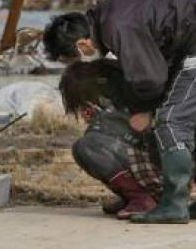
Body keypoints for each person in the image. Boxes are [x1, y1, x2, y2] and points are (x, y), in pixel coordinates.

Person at [43, 0, 196, 224]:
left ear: (83, 45)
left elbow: (150, 78)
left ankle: (173, 204)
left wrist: (147, 111)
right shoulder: (111, 14)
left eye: (72, 57)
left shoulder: (116, 26)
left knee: (172, 120)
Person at [59, 59, 162, 219]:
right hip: (169, 170)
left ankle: (141, 199)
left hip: (161, 171)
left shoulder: (122, 102)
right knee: (86, 147)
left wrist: (98, 121)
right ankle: (135, 196)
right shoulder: (130, 90)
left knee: (86, 147)